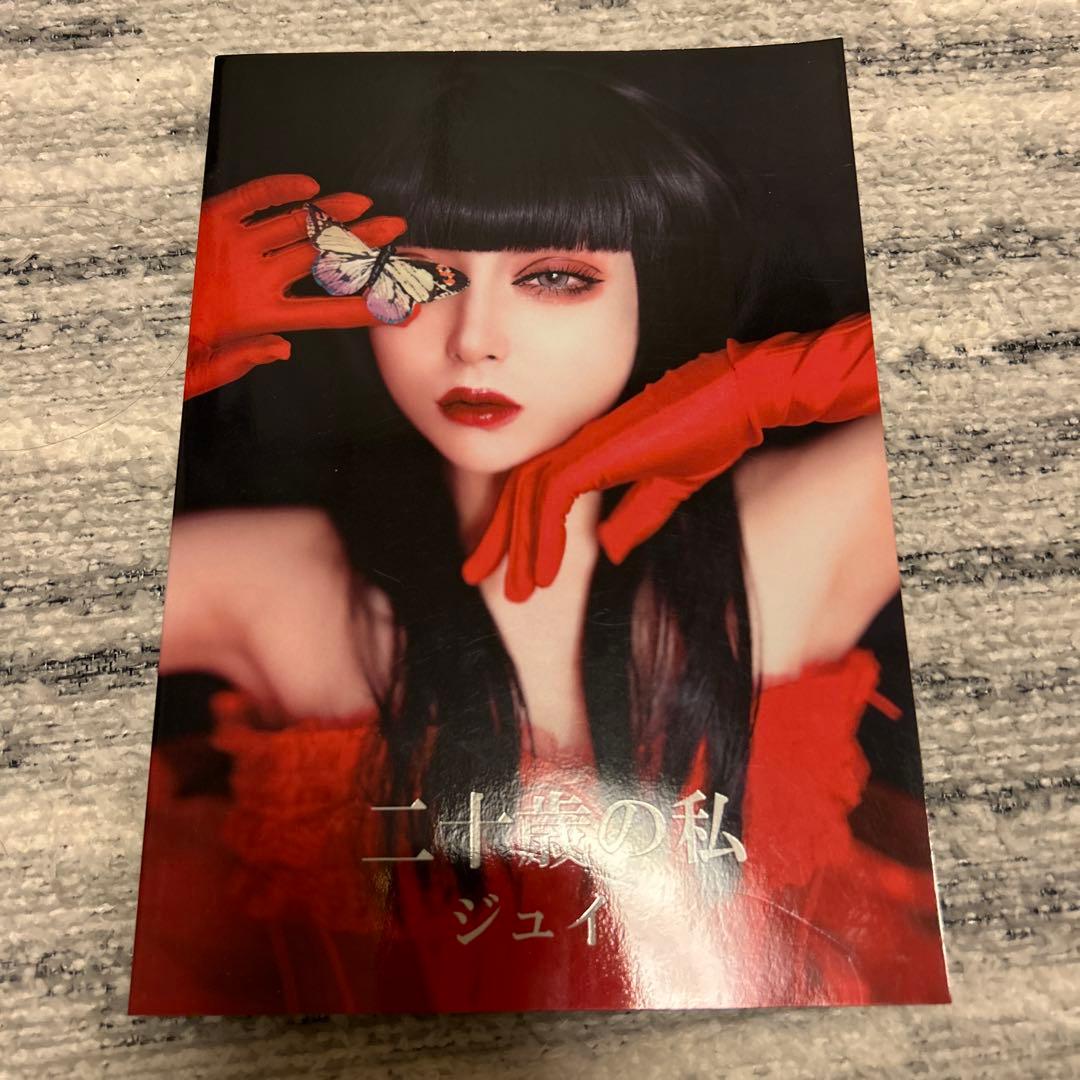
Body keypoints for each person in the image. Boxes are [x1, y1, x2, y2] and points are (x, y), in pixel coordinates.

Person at [129, 62, 948, 1014]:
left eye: (555, 277)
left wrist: (765, 385)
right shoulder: (275, 580)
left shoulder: (787, 536)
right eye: (423, 277)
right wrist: (140, 334)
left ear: (658, 290)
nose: (474, 338)